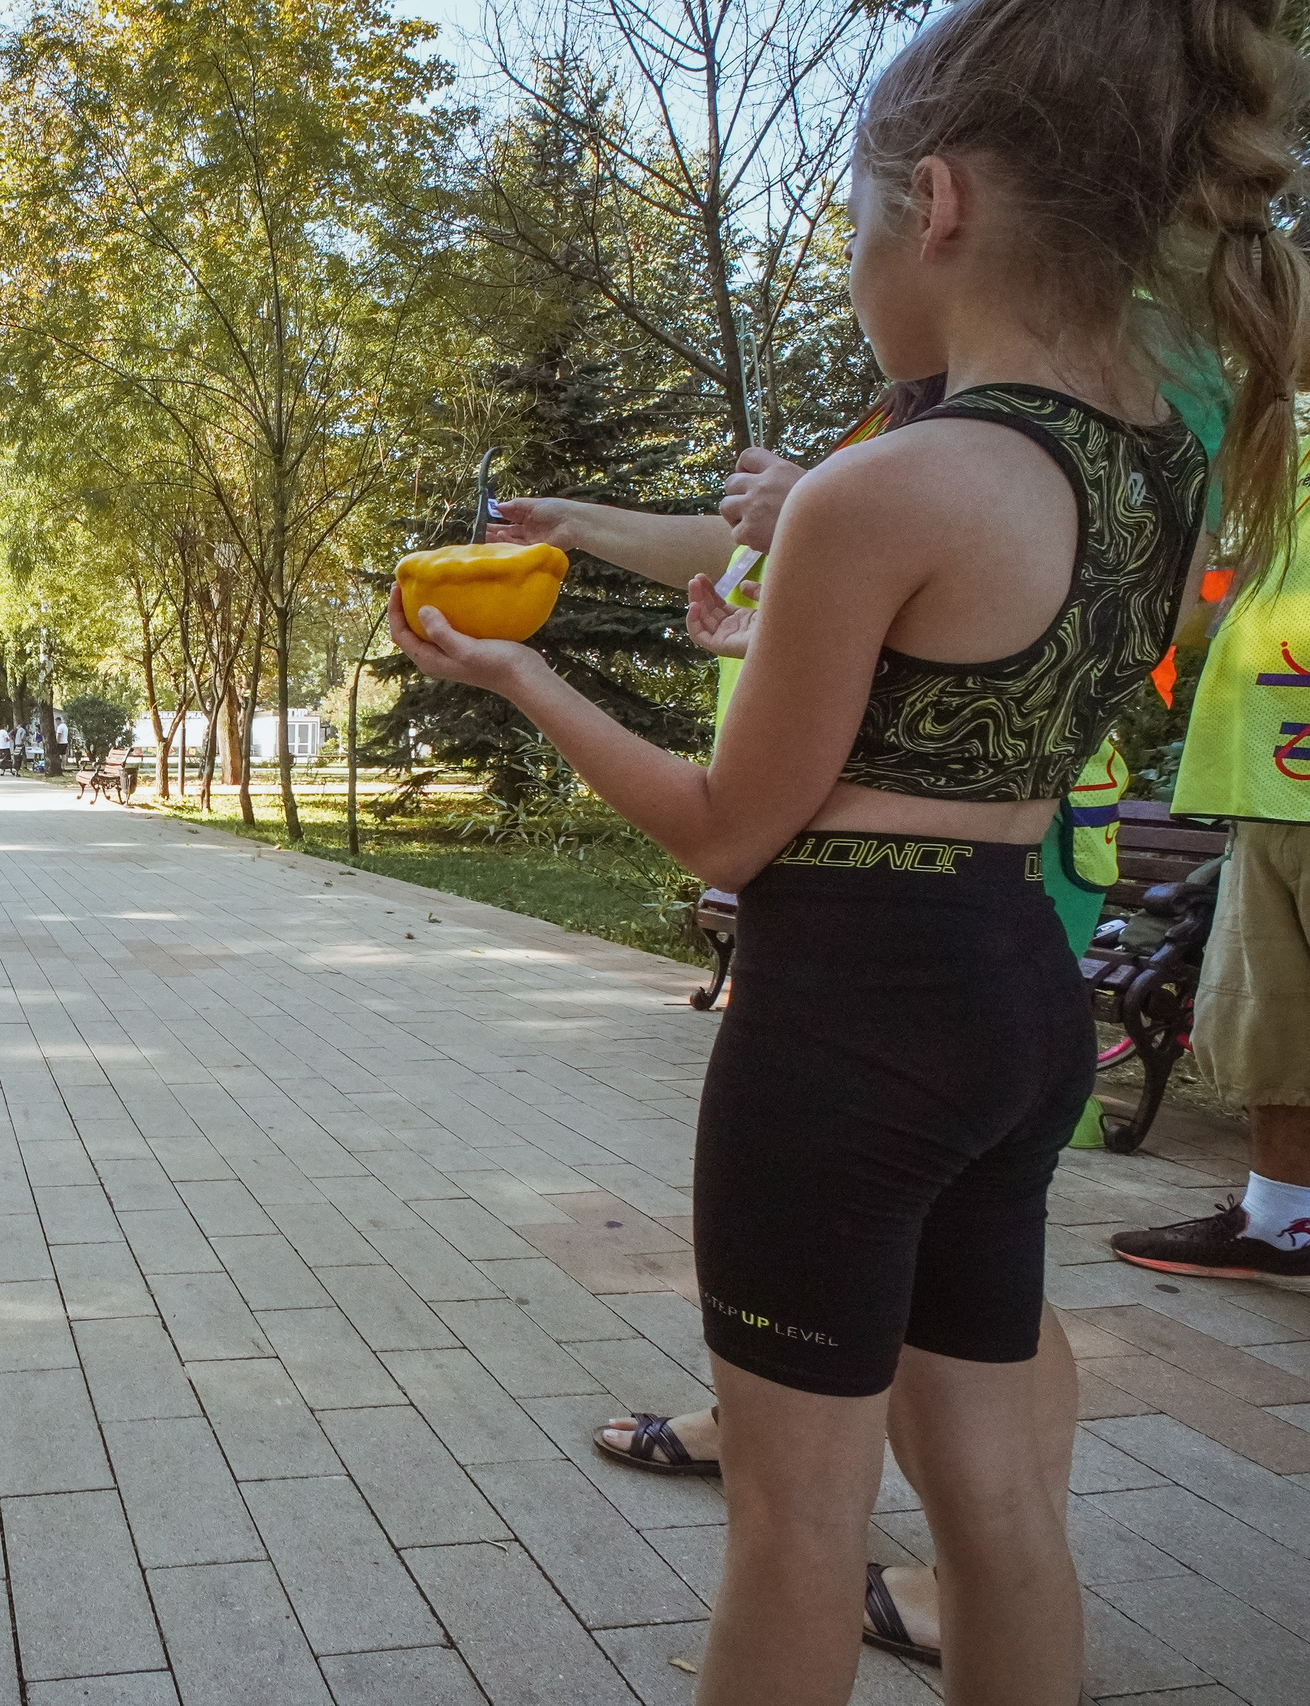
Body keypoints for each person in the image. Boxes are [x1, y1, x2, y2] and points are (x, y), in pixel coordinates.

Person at [391, 3, 1298, 1697]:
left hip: (851, 1027)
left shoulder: (884, 489)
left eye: (859, 221)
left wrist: (521, 673)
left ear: (935, 206)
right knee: (996, 1505)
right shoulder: (1160, 466)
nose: (858, 265)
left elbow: (726, 821)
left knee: (797, 1526)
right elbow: (979, 696)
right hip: (1021, 1000)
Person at [1111, 456, 1310, 1284]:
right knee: (1272, 1020)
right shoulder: (1270, 434)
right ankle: (1278, 1221)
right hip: (1262, 777)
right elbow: (1194, 599)